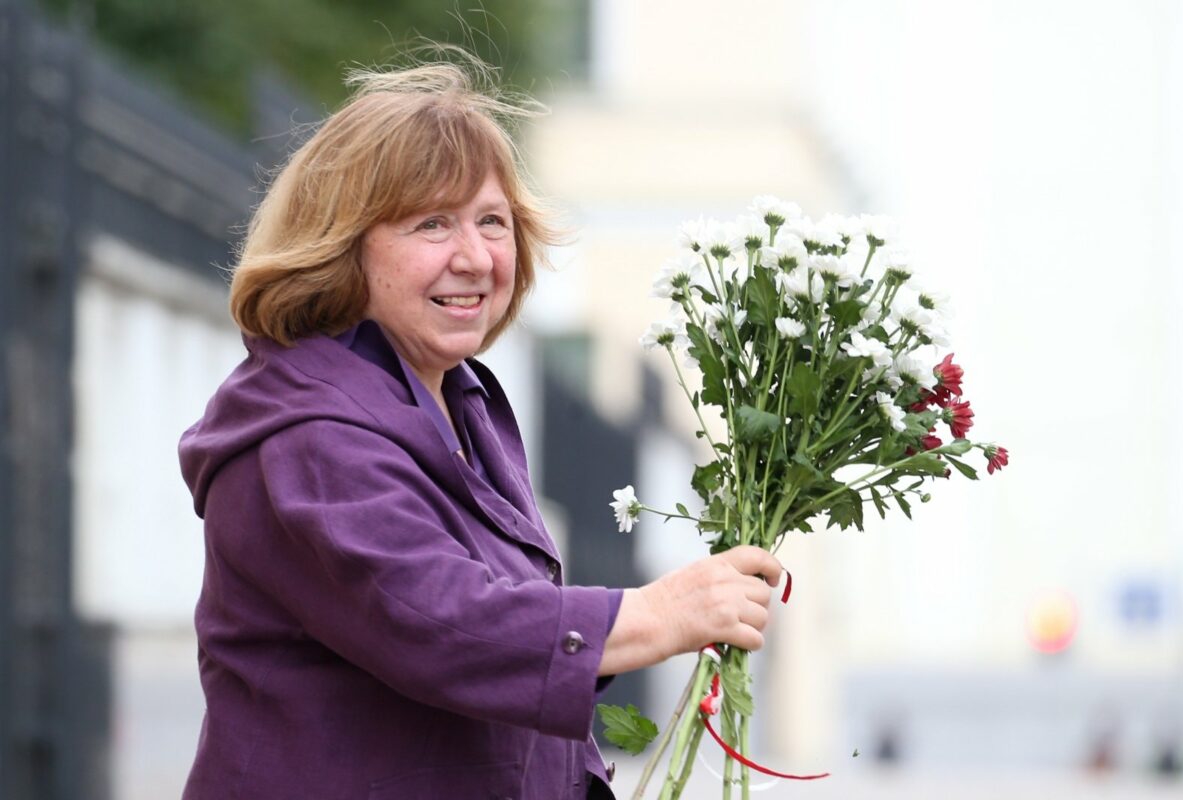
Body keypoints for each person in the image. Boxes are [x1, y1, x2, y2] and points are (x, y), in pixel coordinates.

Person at [178, 55, 782, 800]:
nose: (474, 257)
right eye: (431, 223)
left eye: (491, 222)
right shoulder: (308, 435)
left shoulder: (456, 405)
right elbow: (442, 625)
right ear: (343, 244)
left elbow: (498, 717)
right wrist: (656, 613)